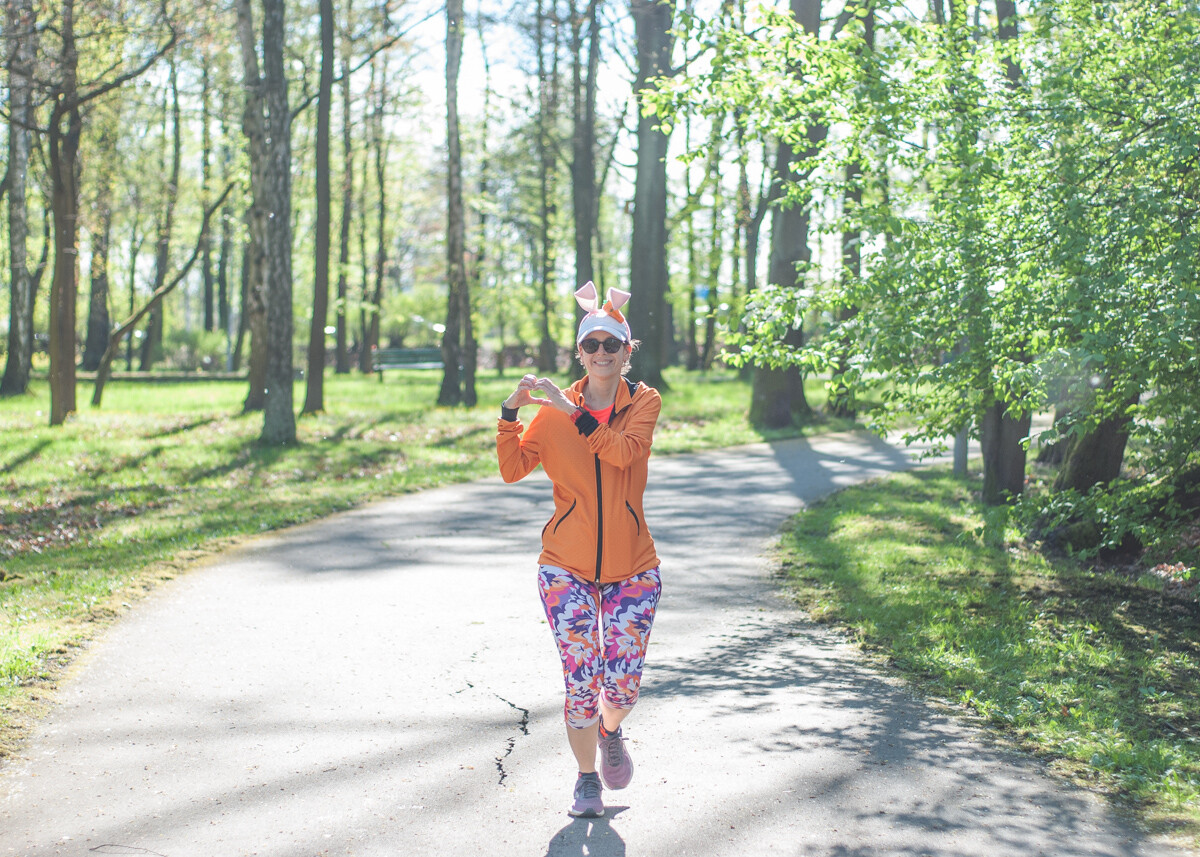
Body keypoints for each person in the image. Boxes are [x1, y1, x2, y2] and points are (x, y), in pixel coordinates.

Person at [496, 282, 663, 819]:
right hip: (563, 566)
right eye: (590, 345)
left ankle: (612, 732)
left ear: (625, 352)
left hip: (633, 569)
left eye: (610, 345)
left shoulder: (643, 402)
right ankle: (586, 778)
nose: (600, 354)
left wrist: (571, 409)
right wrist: (510, 413)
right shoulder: (549, 413)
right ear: (579, 353)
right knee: (581, 679)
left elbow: (622, 454)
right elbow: (512, 469)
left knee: (622, 684)